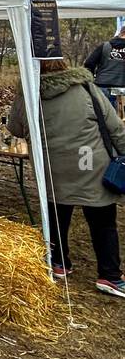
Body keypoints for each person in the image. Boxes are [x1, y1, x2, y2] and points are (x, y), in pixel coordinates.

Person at [8, 59, 125, 297]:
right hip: (90, 163)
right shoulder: (85, 87)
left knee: (57, 215)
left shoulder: (28, 93)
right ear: (64, 65)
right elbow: (115, 128)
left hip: (52, 167)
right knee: (102, 220)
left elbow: (16, 128)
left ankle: (59, 263)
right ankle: (110, 275)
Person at [83, 28, 125, 108]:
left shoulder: (105, 45)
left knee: (104, 115)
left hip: (103, 85)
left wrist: (91, 78)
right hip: (122, 87)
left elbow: (89, 63)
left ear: (120, 33)